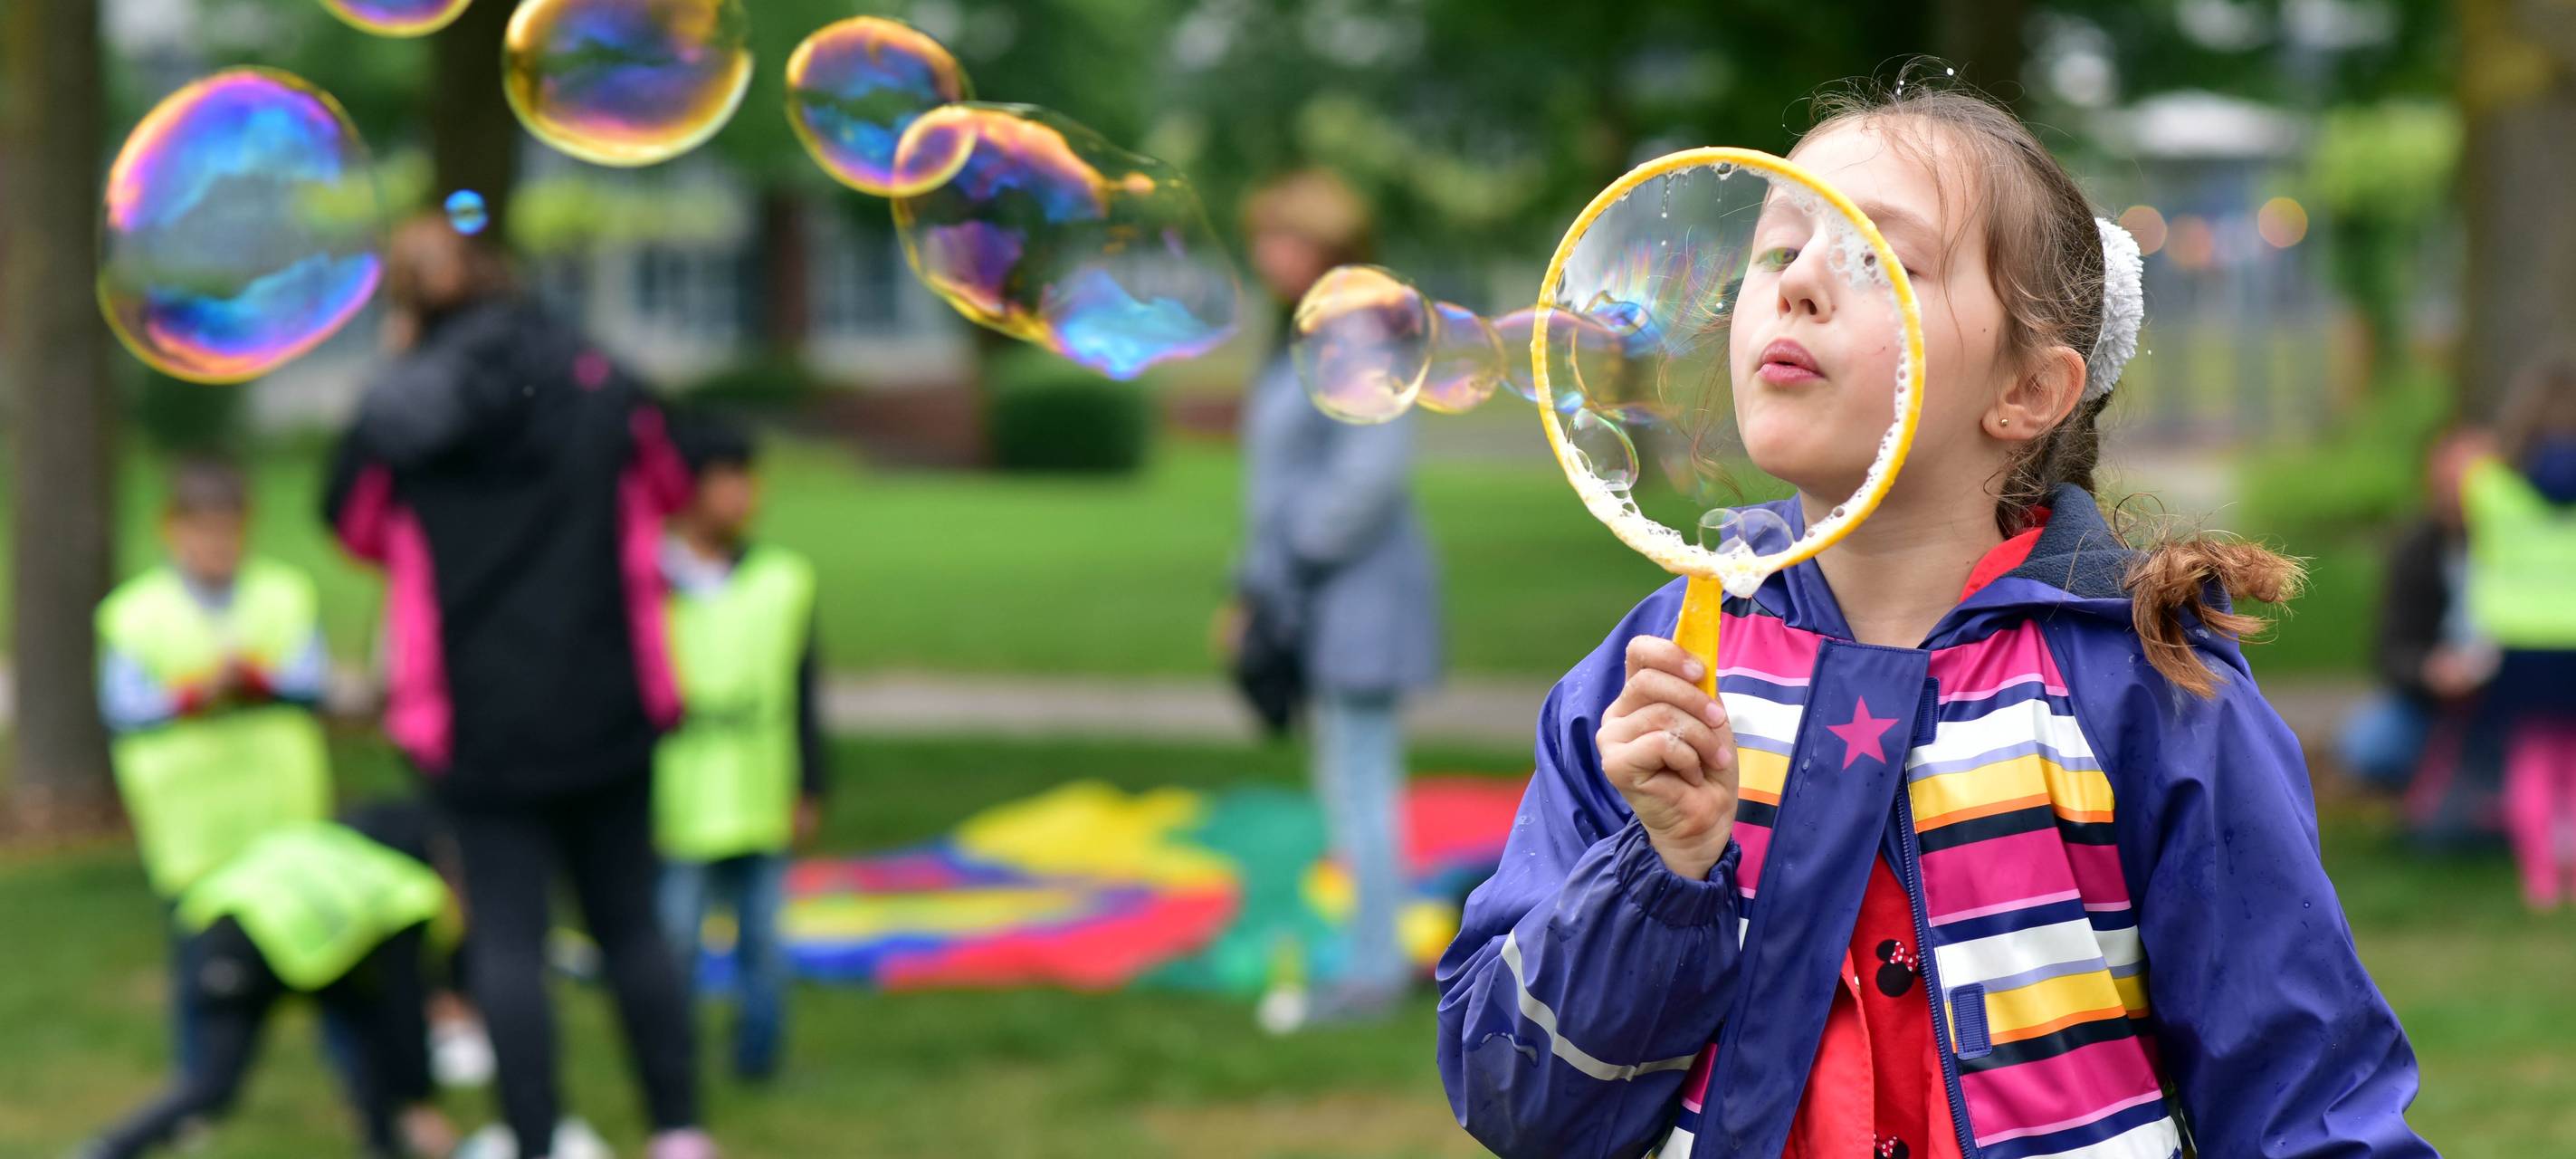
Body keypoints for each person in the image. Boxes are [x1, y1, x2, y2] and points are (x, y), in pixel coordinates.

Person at [1436, 80, 2435, 1158]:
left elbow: (2302, 1089)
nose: (1803, 283)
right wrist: (1662, 869)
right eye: (1779, 250)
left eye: (1881, 258)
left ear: (2023, 390)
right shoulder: (1661, 675)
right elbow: (1518, 1102)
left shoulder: (2139, 680)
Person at [323, 215, 711, 1159]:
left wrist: (397, 372)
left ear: (410, 307)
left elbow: (357, 528)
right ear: (506, 278)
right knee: (630, 924)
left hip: (473, 713)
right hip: (606, 693)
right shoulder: (598, 376)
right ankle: (677, 1131)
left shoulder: (399, 409)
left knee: (506, 940)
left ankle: (533, 1137)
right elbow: (670, 484)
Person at [1226, 168, 1443, 1026]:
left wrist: (1286, 563)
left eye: (1278, 234)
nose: (1262, 253)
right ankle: (1369, 955)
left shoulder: (1358, 332)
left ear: (1322, 244)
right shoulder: (1317, 332)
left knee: (1361, 783)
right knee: (1347, 779)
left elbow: (1368, 478)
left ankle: (1373, 972)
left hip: (1360, 600)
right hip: (1326, 598)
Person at [99, 458, 332, 1071]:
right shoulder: (136, 612)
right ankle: (195, 1091)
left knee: (326, 954)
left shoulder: (284, 593)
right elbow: (123, 707)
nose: (217, 547)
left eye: (228, 532)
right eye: (202, 532)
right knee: (200, 964)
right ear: (170, 530)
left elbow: (312, 683)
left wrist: (257, 681)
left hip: (283, 813)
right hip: (192, 829)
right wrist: (194, 694)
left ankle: (372, 1104)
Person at [81, 806, 456, 1159]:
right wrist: (420, 1096)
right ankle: (103, 1152)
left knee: (364, 1028)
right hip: (245, 948)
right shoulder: (406, 890)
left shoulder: (328, 838)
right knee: (211, 1085)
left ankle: (385, 1145)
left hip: (241, 934)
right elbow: (404, 1006)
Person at [652, 413, 825, 1082]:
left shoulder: (783, 580)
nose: (745, 494)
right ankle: (674, 1069)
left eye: (749, 478)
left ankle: (760, 1061)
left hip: (761, 796)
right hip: (678, 808)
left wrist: (810, 785)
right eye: (728, 479)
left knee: (765, 946)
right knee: (673, 947)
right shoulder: (645, 581)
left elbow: (805, 691)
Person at [2460, 356, 2576, 909]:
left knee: (2532, 759)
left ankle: (2540, 880)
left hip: (2520, 637)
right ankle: (2572, 869)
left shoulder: (2486, 483)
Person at [2341, 426, 2498, 793]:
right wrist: (2429, 670)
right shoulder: (2416, 550)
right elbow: (2390, 649)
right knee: (2369, 745)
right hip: (2433, 698)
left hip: (2510, 695)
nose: (2460, 497)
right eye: (2449, 484)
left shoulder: (2523, 546)